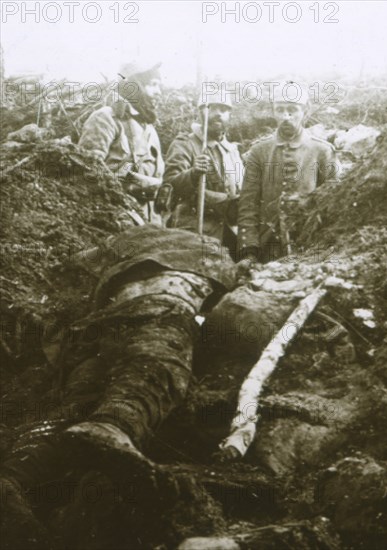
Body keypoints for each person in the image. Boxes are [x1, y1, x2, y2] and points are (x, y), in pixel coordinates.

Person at [0, 226, 236, 548]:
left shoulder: (129, 239)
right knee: (152, 374)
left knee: (76, 403)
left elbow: (72, 274)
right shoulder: (213, 253)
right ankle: (114, 425)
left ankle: (16, 475)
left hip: (103, 322)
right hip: (161, 306)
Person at [237, 81, 340, 264]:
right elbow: (248, 205)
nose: (286, 116)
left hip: (309, 246)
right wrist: (249, 250)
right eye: (280, 110)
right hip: (268, 246)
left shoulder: (322, 151)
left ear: (305, 111)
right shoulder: (259, 151)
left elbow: (334, 203)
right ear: (273, 111)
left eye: (292, 110)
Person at [158, 88, 244, 258]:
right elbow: (170, 185)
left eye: (224, 109)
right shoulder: (185, 144)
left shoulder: (232, 151)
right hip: (194, 229)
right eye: (212, 108)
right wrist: (193, 173)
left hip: (229, 231)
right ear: (201, 112)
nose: (219, 114)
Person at [78, 61, 164, 224]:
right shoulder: (106, 118)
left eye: (159, 86)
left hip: (150, 225)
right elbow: (86, 173)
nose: (158, 92)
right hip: (114, 222)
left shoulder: (150, 129)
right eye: (153, 85)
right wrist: (127, 183)